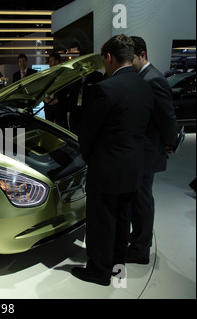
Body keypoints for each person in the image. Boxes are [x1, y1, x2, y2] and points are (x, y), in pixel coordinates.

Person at [72, 35, 154, 286]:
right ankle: (118, 268)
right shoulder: (145, 85)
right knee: (122, 220)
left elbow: (87, 132)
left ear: (108, 57)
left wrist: (87, 155)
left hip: (106, 167)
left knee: (101, 221)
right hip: (133, 166)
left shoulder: (105, 89)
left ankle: (98, 271)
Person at [127, 36, 178, 264]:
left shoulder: (152, 79)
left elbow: (167, 115)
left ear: (142, 55)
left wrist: (170, 142)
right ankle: (139, 239)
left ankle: (140, 249)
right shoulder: (144, 77)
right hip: (142, 150)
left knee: (142, 199)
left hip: (147, 151)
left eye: (132, 58)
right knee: (139, 199)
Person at [44, 53, 70, 129]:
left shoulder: (65, 74)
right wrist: (45, 98)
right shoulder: (46, 74)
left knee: (61, 127)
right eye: (49, 61)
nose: (49, 63)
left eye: (51, 61)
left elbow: (67, 89)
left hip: (60, 106)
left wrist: (58, 99)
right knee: (49, 128)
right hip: (48, 106)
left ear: (57, 61)